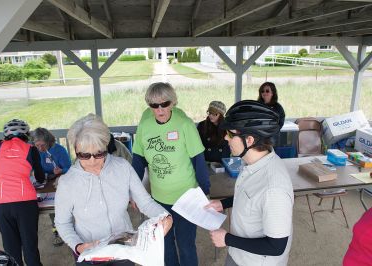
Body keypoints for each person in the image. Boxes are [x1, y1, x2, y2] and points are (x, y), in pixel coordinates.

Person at [55, 114, 172, 266]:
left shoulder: (122, 167)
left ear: (106, 146)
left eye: (99, 153)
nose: (92, 161)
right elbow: (62, 223)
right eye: (84, 155)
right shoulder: (67, 182)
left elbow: (145, 202)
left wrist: (164, 216)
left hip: (123, 248)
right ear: (75, 150)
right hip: (90, 253)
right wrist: (77, 246)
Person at [205, 100, 294, 266]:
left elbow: (276, 246)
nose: (225, 137)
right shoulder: (253, 161)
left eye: (230, 134)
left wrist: (227, 238)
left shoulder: (274, 189)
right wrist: (223, 203)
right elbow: (250, 195)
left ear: (250, 140)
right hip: (238, 254)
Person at [132, 82, 209, 266]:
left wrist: (205, 192)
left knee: (185, 244)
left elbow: (198, 161)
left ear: (173, 102)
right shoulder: (145, 126)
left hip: (186, 197)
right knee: (164, 244)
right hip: (159, 199)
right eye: (154, 105)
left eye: (164, 104)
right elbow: (138, 161)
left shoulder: (184, 125)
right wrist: (133, 192)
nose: (159, 110)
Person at [0, 119, 45, 266]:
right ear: (26, 134)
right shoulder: (31, 149)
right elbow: (40, 177)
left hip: (1, 203)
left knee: (11, 248)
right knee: (29, 246)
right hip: (25, 203)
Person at [31, 127, 72, 247]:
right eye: (37, 145)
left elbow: (70, 169)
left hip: (60, 181)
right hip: (45, 182)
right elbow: (35, 167)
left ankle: (65, 229)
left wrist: (61, 170)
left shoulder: (59, 150)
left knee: (59, 206)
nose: (40, 148)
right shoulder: (37, 151)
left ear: (49, 141)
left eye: (42, 145)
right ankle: (56, 230)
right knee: (49, 207)